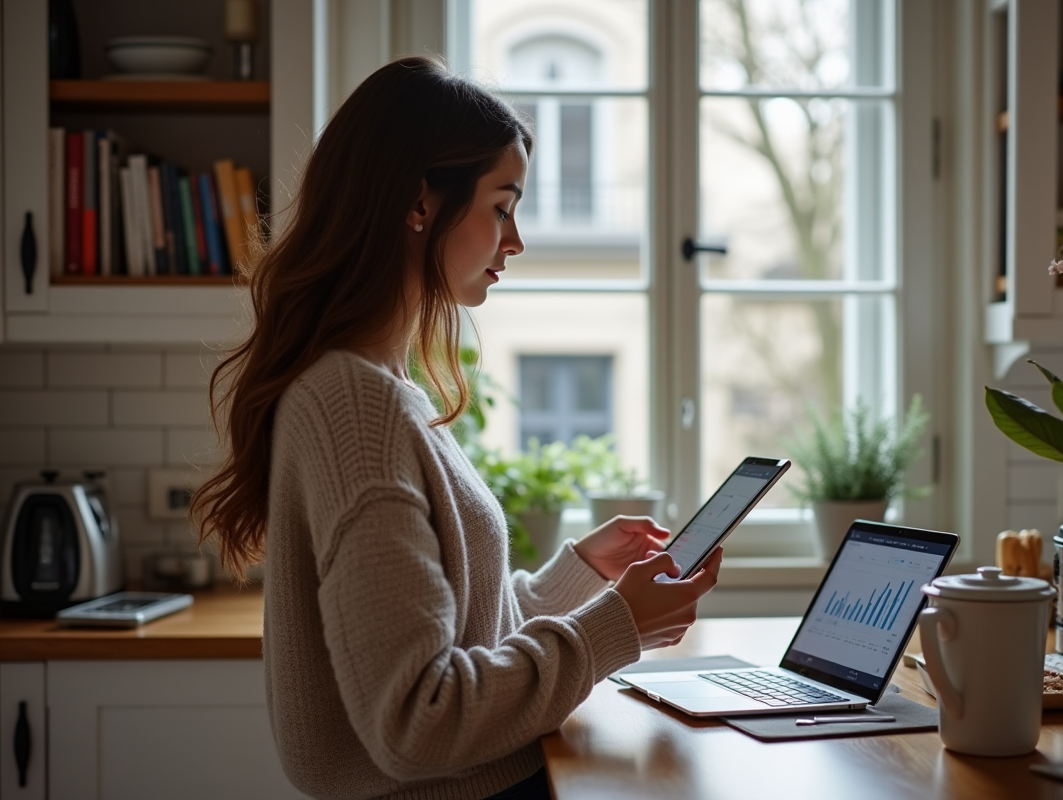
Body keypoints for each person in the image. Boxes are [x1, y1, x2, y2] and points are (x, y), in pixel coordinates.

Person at [191, 55, 722, 800]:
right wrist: (617, 626)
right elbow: (420, 720)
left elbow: (460, 638)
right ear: (419, 201)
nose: (516, 240)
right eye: (502, 206)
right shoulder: (355, 406)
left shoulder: (376, 388)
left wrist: (582, 578)